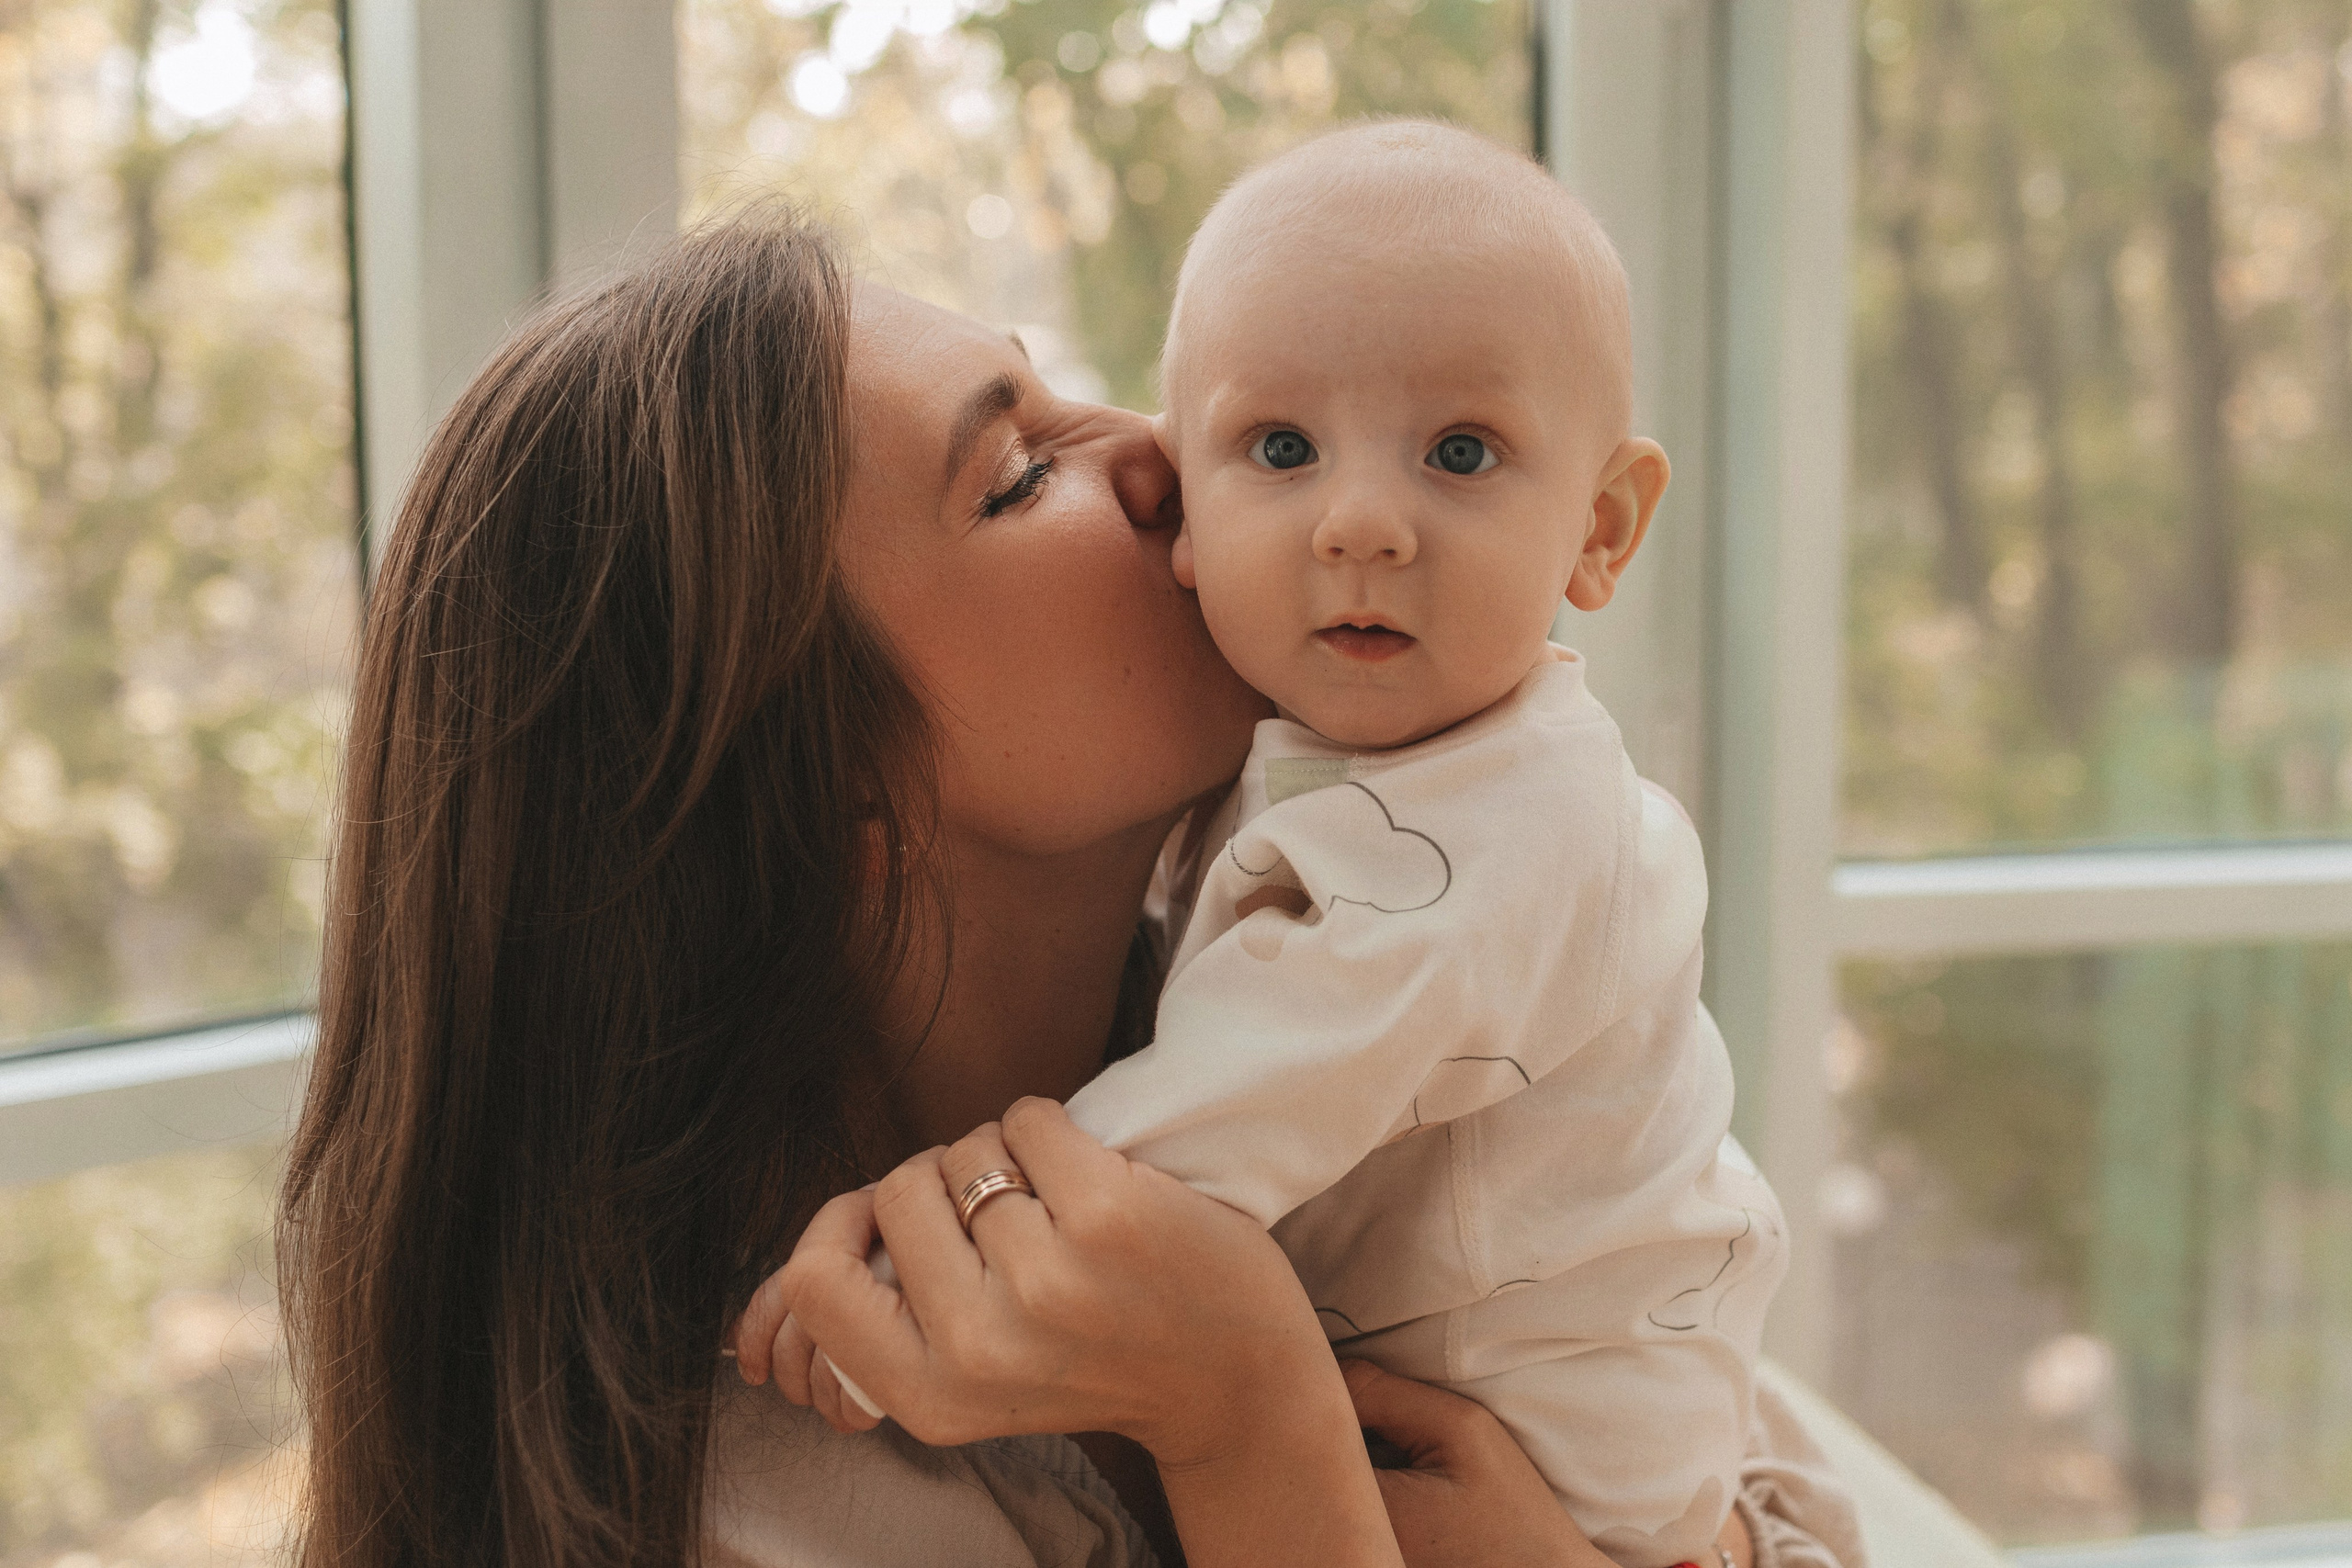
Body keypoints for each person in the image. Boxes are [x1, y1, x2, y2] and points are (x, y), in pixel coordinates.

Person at [278, 208, 1865, 1568]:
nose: (1166, 459)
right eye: (1020, 475)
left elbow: (1752, 1443)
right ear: (824, 791)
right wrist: (1250, 1422)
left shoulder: (1379, 982)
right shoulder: (764, 1497)